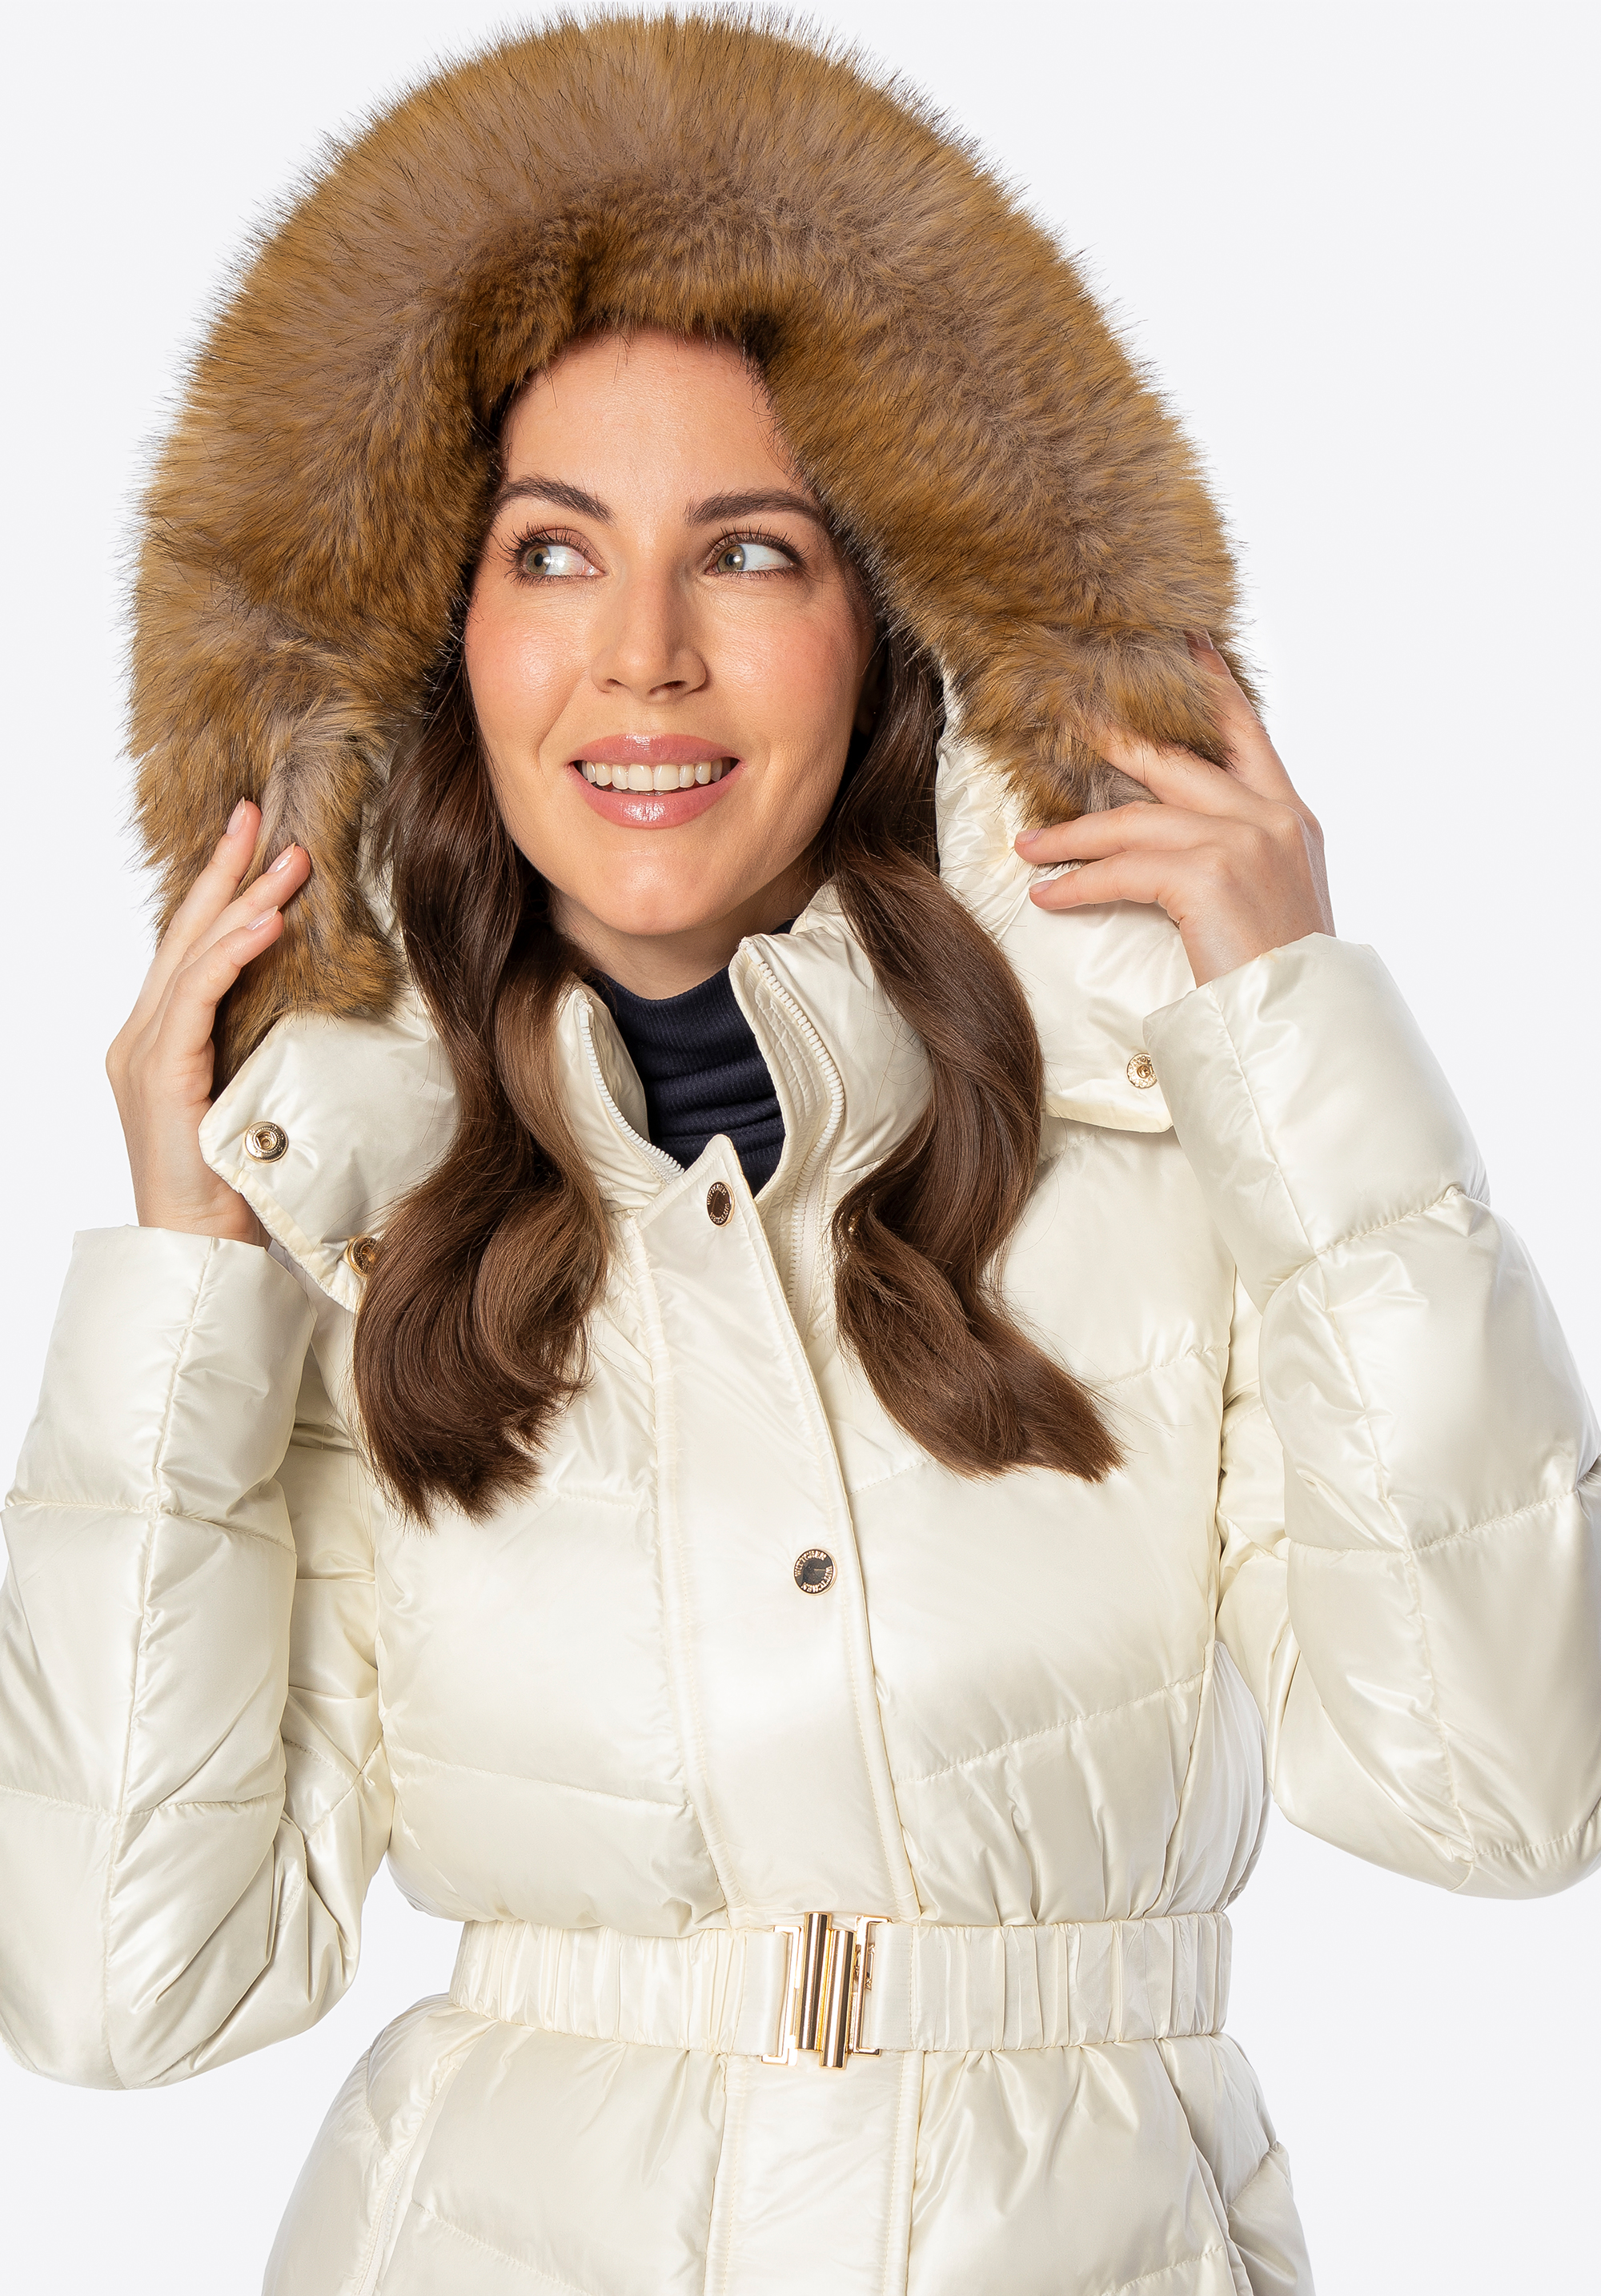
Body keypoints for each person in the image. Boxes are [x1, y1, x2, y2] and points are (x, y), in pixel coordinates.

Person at [2, 17, 1596, 2294]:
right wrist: (185, 1276)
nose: (643, 658)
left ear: (889, 625)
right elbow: (119, 1983)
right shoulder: (362, 1226)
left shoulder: (1162, 1130)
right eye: (554, 552)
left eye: (744, 553)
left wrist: (1296, 1036)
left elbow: (1505, 1791)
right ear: (444, 639)